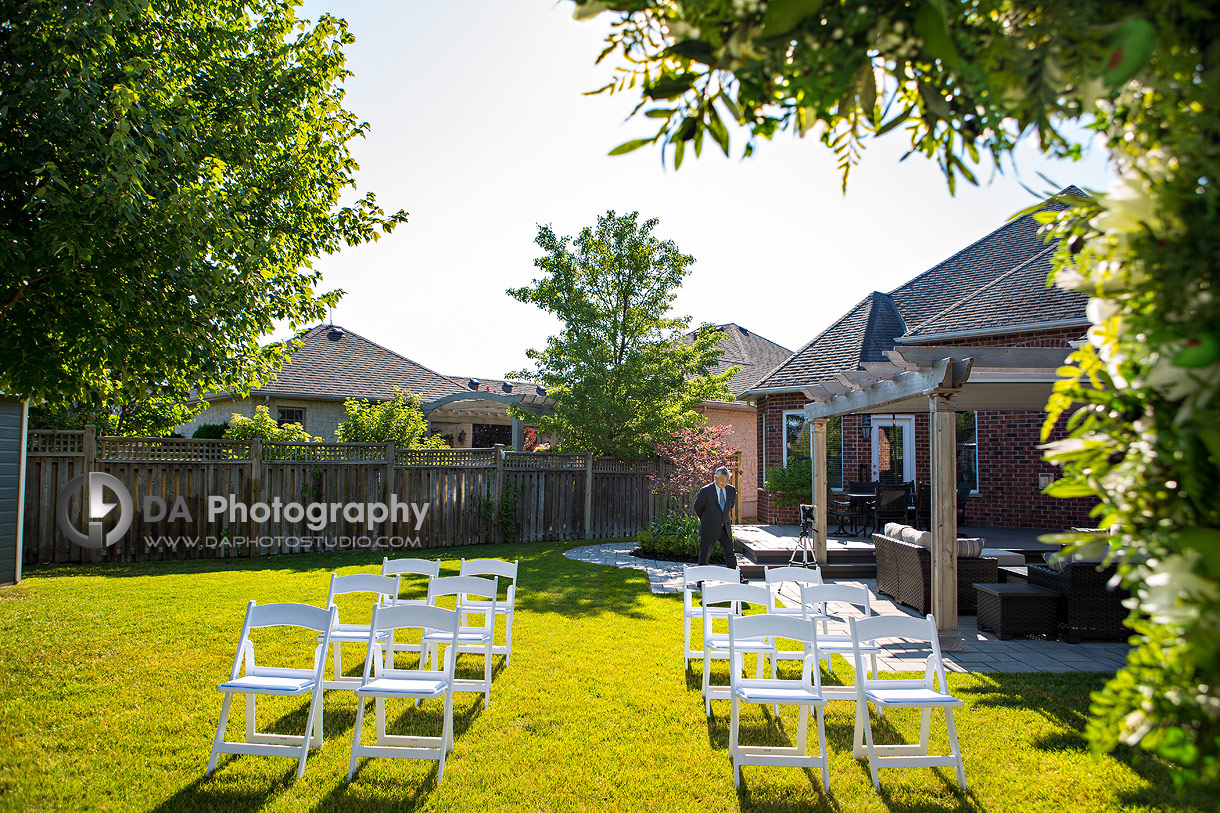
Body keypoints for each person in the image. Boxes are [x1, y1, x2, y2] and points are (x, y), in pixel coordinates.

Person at [693, 466, 738, 572]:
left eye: (727, 480)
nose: (724, 483)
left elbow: (730, 506)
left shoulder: (731, 490)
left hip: (725, 528)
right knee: (705, 555)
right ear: (715, 478)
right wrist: (707, 519)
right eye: (722, 480)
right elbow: (698, 507)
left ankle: (737, 577)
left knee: (730, 553)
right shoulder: (706, 491)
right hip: (709, 527)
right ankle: (701, 579)